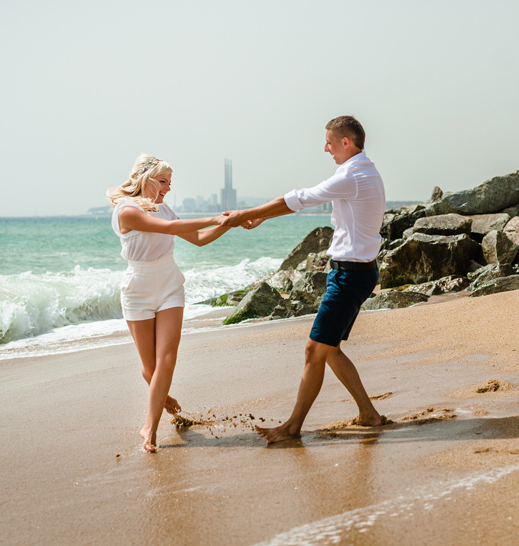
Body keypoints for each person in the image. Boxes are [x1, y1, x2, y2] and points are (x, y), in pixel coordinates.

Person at [222, 116, 387, 444]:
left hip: (350, 276)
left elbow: (299, 198)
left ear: (346, 142)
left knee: (314, 350)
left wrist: (244, 214)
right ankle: (368, 414)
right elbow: (301, 201)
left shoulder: (353, 175)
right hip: (352, 272)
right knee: (331, 350)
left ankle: (291, 427)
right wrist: (259, 216)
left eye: (329, 142)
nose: (325, 148)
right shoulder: (362, 171)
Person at [107, 154, 231, 452]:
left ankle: (149, 428)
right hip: (138, 289)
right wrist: (220, 216)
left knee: (167, 359)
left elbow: (199, 238)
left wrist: (230, 224)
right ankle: (162, 397)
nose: (168, 188)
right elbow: (167, 229)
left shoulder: (165, 208)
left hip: (170, 284)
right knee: (150, 368)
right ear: (144, 179)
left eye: (170, 183)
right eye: (163, 181)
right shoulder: (126, 211)